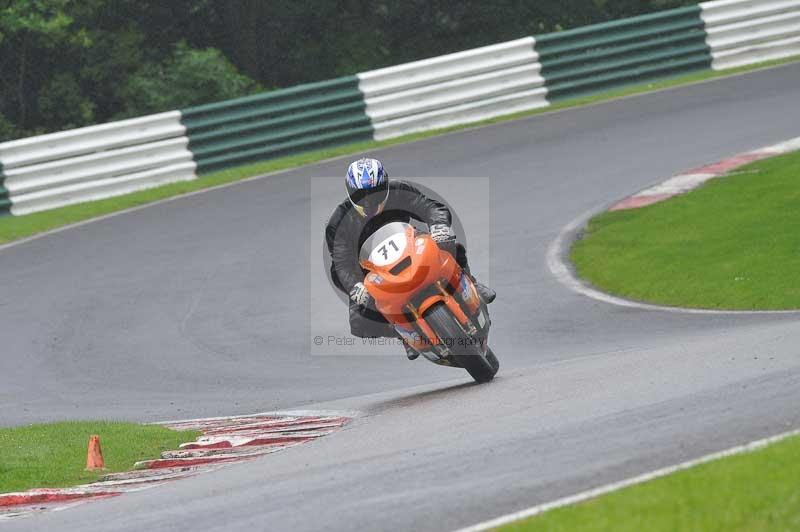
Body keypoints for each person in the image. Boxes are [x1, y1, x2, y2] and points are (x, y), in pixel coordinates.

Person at [325, 157, 495, 359]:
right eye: (361, 195)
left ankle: (471, 284)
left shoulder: (400, 191)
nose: (370, 200)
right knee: (359, 322)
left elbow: (431, 207)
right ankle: (403, 334)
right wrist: (355, 286)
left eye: (376, 191)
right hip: (372, 271)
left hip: (410, 245)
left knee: (450, 245)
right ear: (349, 193)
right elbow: (342, 263)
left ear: (386, 185)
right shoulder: (338, 222)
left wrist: (439, 225)